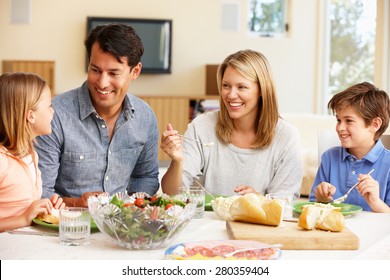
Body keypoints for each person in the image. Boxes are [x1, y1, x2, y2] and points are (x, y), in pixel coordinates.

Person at [35, 23, 160, 207]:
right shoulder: (55, 115)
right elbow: (40, 191)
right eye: (95, 70)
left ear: (135, 71)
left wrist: (132, 206)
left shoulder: (145, 116)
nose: (102, 83)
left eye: (113, 73)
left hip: (121, 225)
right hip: (66, 225)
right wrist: (76, 203)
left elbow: (146, 176)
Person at [160, 49, 302, 197]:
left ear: (262, 89)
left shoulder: (286, 136)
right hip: (209, 220)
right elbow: (171, 194)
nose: (231, 95)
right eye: (226, 85)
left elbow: (286, 204)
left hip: (258, 221)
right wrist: (177, 161)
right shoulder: (202, 126)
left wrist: (259, 200)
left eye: (242, 87)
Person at [309, 82, 390, 213]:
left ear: (375, 124)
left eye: (349, 121)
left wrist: (376, 203)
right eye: (338, 120)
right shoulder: (329, 158)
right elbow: (313, 206)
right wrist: (320, 198)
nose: (340, 127)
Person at [0, 72, 65, 232]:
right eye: (49, 106)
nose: (53, 112)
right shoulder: (2, 162)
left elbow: (26, 205)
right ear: (31, 116)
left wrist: (47, 204)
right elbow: (24, 215)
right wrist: (23, 218)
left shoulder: (31, 155)